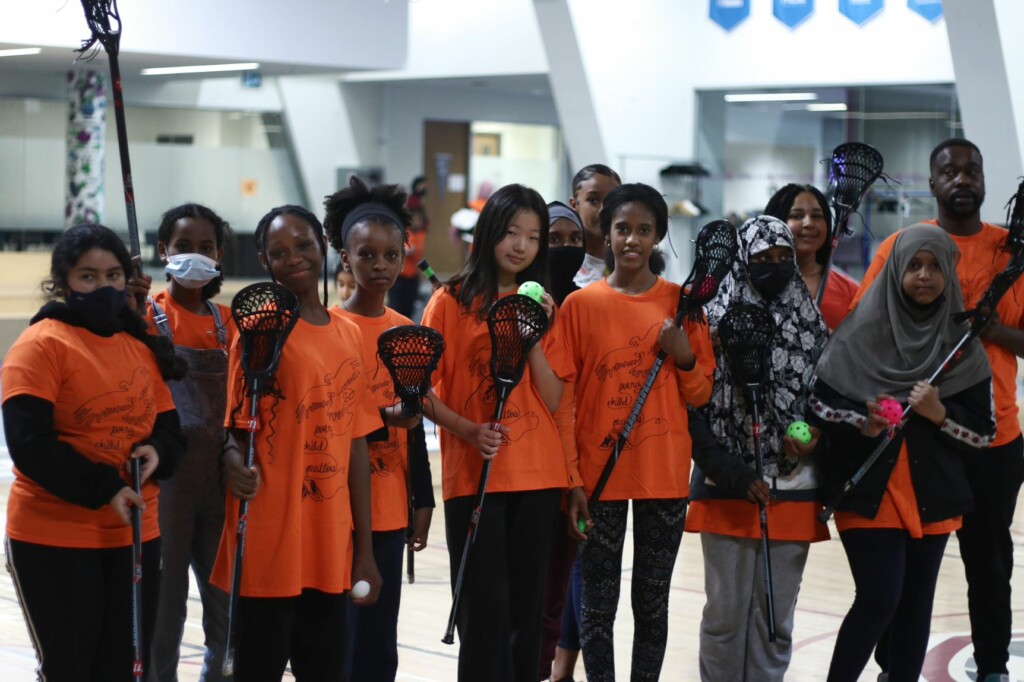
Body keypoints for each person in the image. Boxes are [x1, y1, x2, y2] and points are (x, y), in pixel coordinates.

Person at [852, 139, 1024, 682]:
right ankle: (892, 667)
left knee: (990, 564)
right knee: (907, 568)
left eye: (971, 169)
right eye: (949, 171)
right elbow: (864, 331)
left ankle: (993, 667)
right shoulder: (905, 246)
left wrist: (992, 329)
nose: (961, 178)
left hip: (994, 438)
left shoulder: (1011, 253)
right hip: (917, 439)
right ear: (932, 183)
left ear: (983, 179)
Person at [2, 223, 186, 680]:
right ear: (64, 281)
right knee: (70, 669)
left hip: (135, 538)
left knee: (123, 670)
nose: (103, 287)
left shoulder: (137, 346)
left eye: (113, 276)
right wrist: (107, 488)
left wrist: (158, 454)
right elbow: (30, 447)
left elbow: (169, 428)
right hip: (55, 540)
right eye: (88, 276)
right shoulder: (41, 345)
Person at [815, 224, 995, 681]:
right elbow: (818, 404)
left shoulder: (964, 351)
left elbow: (984, 434)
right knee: (879, 598)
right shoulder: (859, 332)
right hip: (866, 487)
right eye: (913, 265)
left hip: (931, 493)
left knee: (916, 607)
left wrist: (938, 413)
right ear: (895, 270)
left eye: (935, 266)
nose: (923, 275)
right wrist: (863, 419)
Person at [211, 205, 382, 680]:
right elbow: (230, 428)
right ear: (264, 261)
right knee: (257, 669)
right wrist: (230, 462)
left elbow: (357, 445)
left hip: (329, 539)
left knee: (325, 670)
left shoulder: (348, 334)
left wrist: (364, 548)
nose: (294, 258)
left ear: (323, 247)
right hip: (268, 532)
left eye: (303, 245)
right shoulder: (258, 328)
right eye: (279, 252)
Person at [561, 183, 715, 682]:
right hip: (598, 478)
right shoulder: (580, 307)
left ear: (659, 237)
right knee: (597, 607)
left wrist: (683, 353)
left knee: (652, 603)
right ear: (605, 234)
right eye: (622, 229)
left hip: (663, 476)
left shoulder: (683, 306)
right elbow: (567, 400)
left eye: (644, 230)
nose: (632, 240)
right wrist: (572, 479)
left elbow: (701, 394)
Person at [421, 183, 569, 682]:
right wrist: (467, 429)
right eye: (511, 232)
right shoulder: (449, 301)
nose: (521, 245)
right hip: (475, 476)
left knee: (526, 615)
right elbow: (416, 389)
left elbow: (553, 400)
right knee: (483, 614)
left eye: (532, 236)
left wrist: (530, 338)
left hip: (538, 475)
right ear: (489, 233)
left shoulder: (546, 306)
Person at [686, 215, 830, 681]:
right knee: (725, 617)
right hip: (727, 485)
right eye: (761, 259)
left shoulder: (812, 325)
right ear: (741, 263)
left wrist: (811, 435)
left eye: (783, 258)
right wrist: (730, 470)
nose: (774, 266)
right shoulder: (710, 324)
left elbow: (827, 403)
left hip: (793, 486)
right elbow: (693, 410)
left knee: (774, 619)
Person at [323, 175, 435, 682]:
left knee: (378, 647)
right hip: (332, 508)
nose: (381, 266)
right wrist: (381, 421)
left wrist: (423, 500)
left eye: (392, 255)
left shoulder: (405, 332)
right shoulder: (325, 330)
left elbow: (413, 424)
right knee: (335, 642)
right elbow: (329, 421)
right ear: (344, 258)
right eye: (366, 255)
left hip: (390, 508)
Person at [147, 203, 234, 682]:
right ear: (164, 251)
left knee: (224, 603)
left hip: (221, 479)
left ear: (219, 256)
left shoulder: (229, 324)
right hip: (167, 486)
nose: (195, 256)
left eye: (206, 248)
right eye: (184, 247)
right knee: (166, 606)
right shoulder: (146, 315)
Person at [537, 201, 586, 682]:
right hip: (517, 469)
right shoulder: (515, 299)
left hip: (569, 471)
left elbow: (570, 400)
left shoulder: (583, 305)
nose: (565, 249)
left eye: (575, 241)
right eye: (555, 239)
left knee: (555, 598)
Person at [764, 183, 859, 330]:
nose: (808, 223)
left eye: (817, 216)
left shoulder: (851, 291)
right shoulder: (753, 284)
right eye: (796, 216)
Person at [568, 164, 622, 289]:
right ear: (574, 205)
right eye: (593, 200)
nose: (603, 210)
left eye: (612, 201)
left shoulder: (628, 261)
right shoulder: (563, 259)